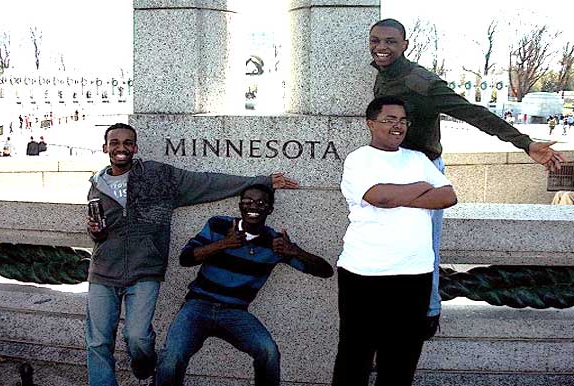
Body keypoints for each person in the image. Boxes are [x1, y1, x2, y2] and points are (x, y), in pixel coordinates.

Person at [368, 18, 567, 335]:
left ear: (405, 45)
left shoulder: (421, 81)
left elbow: (473, 114)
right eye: (376, 41)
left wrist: (525, 143)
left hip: (423, 173)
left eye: (390, 42)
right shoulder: (384, 74)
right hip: (392, 171)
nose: (381, 47)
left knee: (423, 247)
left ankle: (429, 313)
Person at [86, 123, 298, 386]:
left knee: (138, 338)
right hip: (103, 272)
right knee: (97, 341)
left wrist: (261, 181)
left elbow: (207, 182)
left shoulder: (157, 176)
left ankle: (144, 364)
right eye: (114, 142)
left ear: (135, 147)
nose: (121, 148)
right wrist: (95, 232)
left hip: (144, 271)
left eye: (127, 142)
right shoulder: (97, 185)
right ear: (105, 147)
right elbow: (99, 233)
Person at [332, 96, 457, 386]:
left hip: (415, 275)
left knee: (402, 359)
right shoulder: (359, 159)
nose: (398, 126)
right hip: (365, 274)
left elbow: (448, 197)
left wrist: (397, 196)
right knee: (355, 356)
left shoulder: (417, 158)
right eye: (390, 119)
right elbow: (379, 196)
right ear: (371, 123)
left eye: (402, 120)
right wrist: (423, 188)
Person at [155, 184, 333, 386]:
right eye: (247, 201)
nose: (253, 206)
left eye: (261, 203)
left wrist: (295, 251)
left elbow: (326, 272)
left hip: (235, 312)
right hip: (198, 306)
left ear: (269, 209)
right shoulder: (218, 225)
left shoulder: (275, 243)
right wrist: (223, 244)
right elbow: (185, 259)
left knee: (268, 351)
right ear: (240, 205)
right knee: (171, 358)